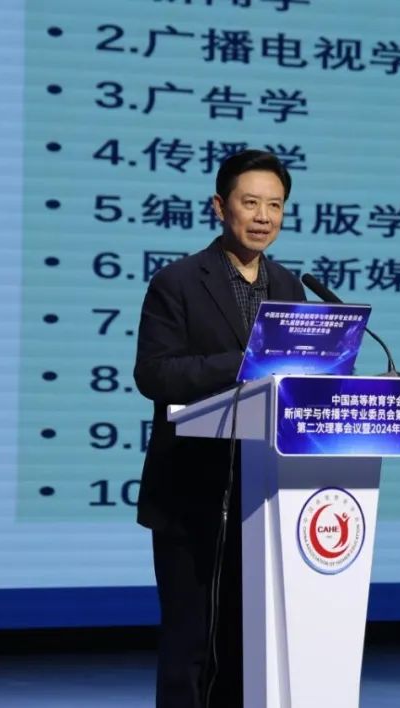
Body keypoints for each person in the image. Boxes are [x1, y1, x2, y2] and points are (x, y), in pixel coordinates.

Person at [133, 149, 306, 708]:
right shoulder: (178, 282)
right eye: (250, 202)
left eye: (275, 205)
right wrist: (244, 362)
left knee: (247, 643)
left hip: (265, 497)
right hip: (191, 494)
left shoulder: (291, 288)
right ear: (220, 206)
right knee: (191, 644)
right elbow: (154, 374)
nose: (263, 216)